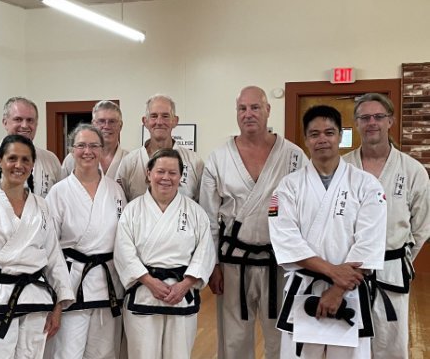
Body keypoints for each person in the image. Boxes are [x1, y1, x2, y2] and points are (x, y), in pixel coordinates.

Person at [269, 105, 387, 358]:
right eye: (314, 134)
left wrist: (337, 289)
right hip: (304, 287)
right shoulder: (288, 187)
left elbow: (370, 242)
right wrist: (333, 272)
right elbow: (286, 239)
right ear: (305, 139)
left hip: (350, 288)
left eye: (329, 132)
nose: (322, 139)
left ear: (340, 137)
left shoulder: (367, 184)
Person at [199, 86, 307, 359]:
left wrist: (305, 261)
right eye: (242, 108)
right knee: (234, 338)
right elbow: (209, 218)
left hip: (280, 260)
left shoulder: (293, 156)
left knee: (281, 336)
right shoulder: (219, 157)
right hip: (234, 261)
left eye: (255, 107)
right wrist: (212, 265)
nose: (248, 114)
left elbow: (308, 211)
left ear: (268, 110)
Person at [0, 135, 74, 359]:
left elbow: (53, 257)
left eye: (26, 160)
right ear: (0, 160)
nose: (19, 165)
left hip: (35, 300)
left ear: (33, 165)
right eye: (12, 158)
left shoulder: (41, 206)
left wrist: (58, 307)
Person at [343, 93, 430, 358]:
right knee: (349, 343)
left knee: (392, 345)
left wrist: (399, 259)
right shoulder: (342, 167)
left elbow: (422, 225)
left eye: (379, 116)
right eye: (365, 117)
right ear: (356, 123)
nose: (372, 122)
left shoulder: (412, 169)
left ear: (390, 121)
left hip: (392, 269)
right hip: (349, 271)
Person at [114, 149, 215, 359]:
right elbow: (124, 252)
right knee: (142, 354)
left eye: (172, 173)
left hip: (181, 294)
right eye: (160, 171)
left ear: (181, 176)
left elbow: (205, 252)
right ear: (148, 173)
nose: (166, 178)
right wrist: (149, 281)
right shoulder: (132, 211)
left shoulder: (195, 212)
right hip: (144, 291)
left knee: (178, 354)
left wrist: (185, 284)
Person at [44, 124, 127, 359]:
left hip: (108, 282)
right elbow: (49, 247)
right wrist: (56, 293)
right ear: (71, 150)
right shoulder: (58, 193)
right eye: (81, 145)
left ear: (101, 150)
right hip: (72, 282)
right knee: (67, 352)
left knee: (105, 352)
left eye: (93, 145)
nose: (87, 151)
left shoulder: (115, 191)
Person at [116, 94, 203, 202]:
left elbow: (203, 207)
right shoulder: (129, 162)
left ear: (175, 121)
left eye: (165, 116)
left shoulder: (194, 162)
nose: (159, 122)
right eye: (154, 116)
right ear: (145, 121)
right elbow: (119, 204)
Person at [0, 96, 62, 198]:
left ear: (36, 124)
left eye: (30, 120)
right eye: (18, 119)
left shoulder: (50, 160)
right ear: (5, 122)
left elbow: (59, 201)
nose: (24, 125)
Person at [61, 100, 128, 179]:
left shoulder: (129, 160)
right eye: (101, 121)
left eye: (112, 121)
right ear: (93, 124)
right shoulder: (73, 159)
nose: (106, 126)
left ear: (120, 125)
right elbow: (62, 188)